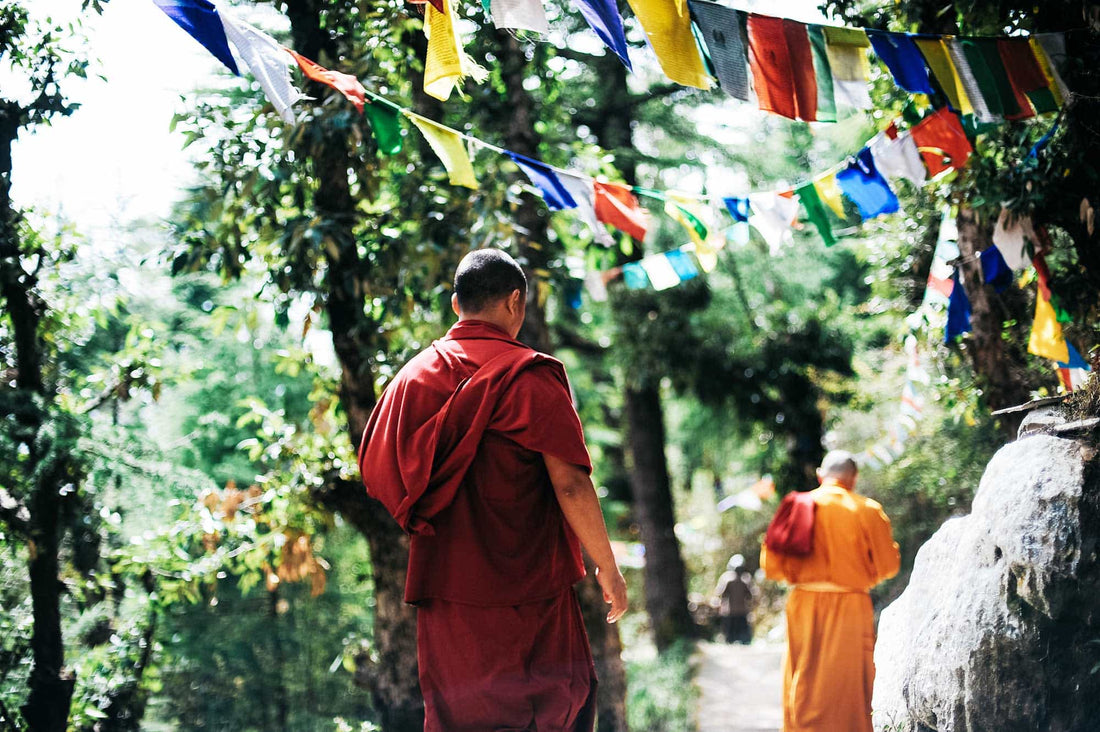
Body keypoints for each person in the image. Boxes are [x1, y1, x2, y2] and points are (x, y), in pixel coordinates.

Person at [357, 248, 628, 732]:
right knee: (551, 711)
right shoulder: (529, 376)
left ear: (456, 302)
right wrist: (607, 567)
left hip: (448, 594)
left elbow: (378, 474)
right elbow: (569, 483)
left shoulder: (411, 381)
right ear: (515, 302)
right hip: (529, 592)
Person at [760, 450, 900, 732]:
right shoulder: (867, 510)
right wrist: (865, 574)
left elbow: (771, 567)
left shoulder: (798, 506)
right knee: (848, 682)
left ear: (821, 475)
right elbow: (889, 566)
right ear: (854, 479)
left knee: (805, 674)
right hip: (851, 604)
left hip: (804, 603)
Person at [714, 555, 755, 644]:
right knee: (735, 639)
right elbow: (750, 596)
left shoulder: (740, 579)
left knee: (735, 639)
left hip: (735, 613)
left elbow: (720, 594)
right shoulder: (732, 579)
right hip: (733, 613)